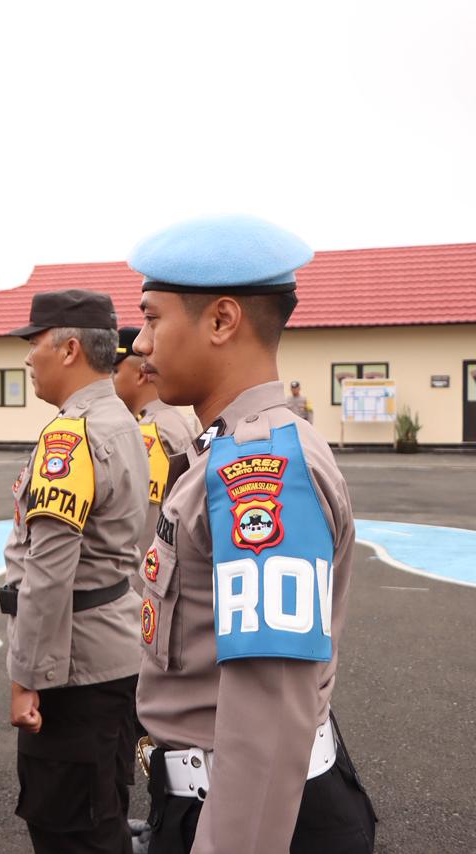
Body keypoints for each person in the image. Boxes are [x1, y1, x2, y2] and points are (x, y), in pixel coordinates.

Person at [128, 215, 376, 853]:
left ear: (221, 320)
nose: (140, 344)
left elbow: (267, 717)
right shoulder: (229, 449)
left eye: (152, 319)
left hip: (250, 817)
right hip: (221, 800)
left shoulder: (259, 470)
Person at [1, 290, 148, 853]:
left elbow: (48, 572)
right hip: (111, 651)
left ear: (68, 350)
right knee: (102, 813)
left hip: (72, 666)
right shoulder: (121, 420)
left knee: (70, 831)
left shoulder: (74, 435)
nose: (27, 356)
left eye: (35, 341)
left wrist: (27, 679)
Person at [113, 326, 199, 575]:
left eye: (115, 371)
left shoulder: (150, 432)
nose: (110, 380)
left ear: (141, 374)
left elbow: (147, 525)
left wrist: (136, 584)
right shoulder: (168, 420)